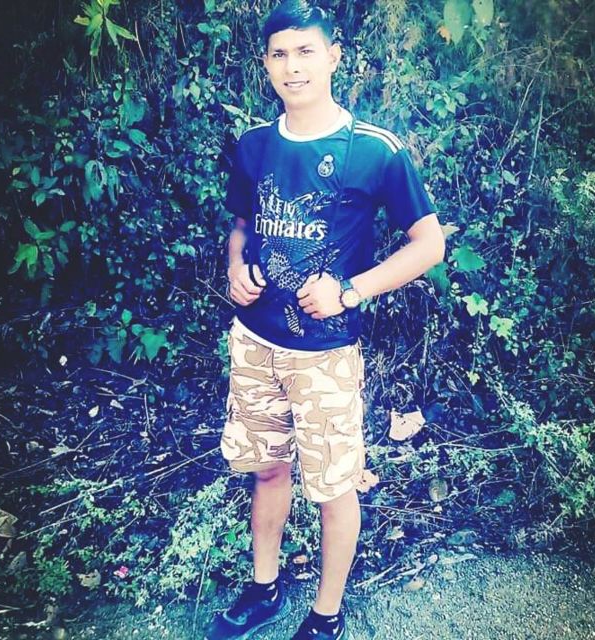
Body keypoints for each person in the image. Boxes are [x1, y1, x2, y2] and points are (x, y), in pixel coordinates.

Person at [205, 1, 445, 638]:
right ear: (265, 64)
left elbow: (428, 245)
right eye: (280, 54)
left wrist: (350, 290)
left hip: (326, 356)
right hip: (255, 342)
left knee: (334, 487)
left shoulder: (374, 151)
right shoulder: (254, 146)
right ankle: (263, 587)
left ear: (334, 57)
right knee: (268, 469)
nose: (293, 66)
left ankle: (326, 613)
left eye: (306, 51)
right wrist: (234, 266)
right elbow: (240, 227)